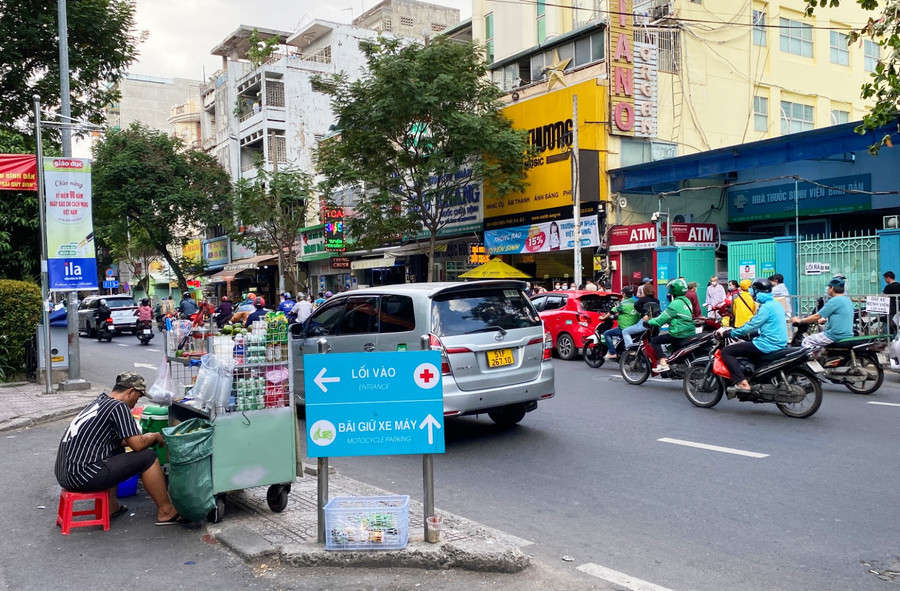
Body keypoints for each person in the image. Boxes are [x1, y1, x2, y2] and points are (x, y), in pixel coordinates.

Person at [54, 372, 181, 525]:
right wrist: (154, 436)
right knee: (148, 457)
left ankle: (111, 506)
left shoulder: (99, 402)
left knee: (116, 448)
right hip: (83, 476)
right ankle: (166, 511)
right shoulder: (118, 406)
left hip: (65, 474)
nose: (136, 403)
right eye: (138, 397)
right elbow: (137, 444)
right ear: (131, 391)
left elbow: (118, 441)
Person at [718, 278, 788, 394]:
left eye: (753, 290)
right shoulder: (776, 304)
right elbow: (764, 327)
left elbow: (751, 325)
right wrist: (748, 335)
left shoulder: (766, 307)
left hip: (766, 344)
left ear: (758, 292)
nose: (751, 293)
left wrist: (729, 333)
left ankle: (742, 383)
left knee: (726, 351)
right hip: (778, 342)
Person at [646, 279, 697, 372]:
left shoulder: (675, 304)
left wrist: (649, 322)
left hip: (678, 332)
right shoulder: (686, 301)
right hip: (689, 331)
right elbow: (680, 316)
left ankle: (663, 363)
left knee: (654, 341)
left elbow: (660, 320)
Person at [792, 277, 854, 352]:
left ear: (832, 288)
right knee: (817, 343)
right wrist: (824, 320)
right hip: (847, 334)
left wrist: (800, 320)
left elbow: (817, 316)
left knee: (807, 340)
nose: (827, 289)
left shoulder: (834, 300)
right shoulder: (847, 299)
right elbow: (839, 315)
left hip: (834, 335)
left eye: (828, 287)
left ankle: (809, 362)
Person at [602, 286, 639, 360]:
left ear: (624, 294)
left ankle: (613, 353)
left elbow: (613, 311)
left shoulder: (623, 303)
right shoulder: (636, 302)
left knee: (607, 334)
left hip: (624, 327)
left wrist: (603, 317)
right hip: (635, 327)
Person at [623, 283, 660, 349]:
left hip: (644, 323)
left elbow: (636, 306)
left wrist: (643, 312)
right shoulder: (656, 300)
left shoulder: (642, 300)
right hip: (654, 325)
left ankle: (630, 349)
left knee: (625, 331)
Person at [883, 271, 900, 335]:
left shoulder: (889, 287)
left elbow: (882, 296)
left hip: (891, 308)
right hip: (898, 308)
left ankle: (891, 339)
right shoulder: (899, 285)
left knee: (891, 325)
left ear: (888, 278)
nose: (884, 280)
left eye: (885, 278)